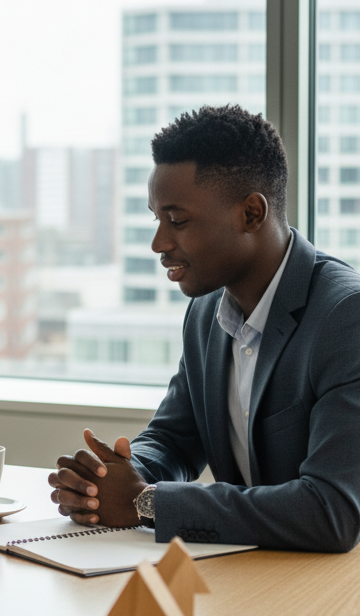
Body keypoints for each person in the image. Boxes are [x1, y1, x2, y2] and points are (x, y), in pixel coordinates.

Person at [49, 104, 360, 552]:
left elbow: (332, 510)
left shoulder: (344, 318)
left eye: (177, 221)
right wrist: (112, 478)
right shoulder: (207, 311)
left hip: (327, 594)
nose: (159, 243)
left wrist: (145, 502)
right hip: (250, 579)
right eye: (156, 218)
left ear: (252, 214)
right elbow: (175, 438)